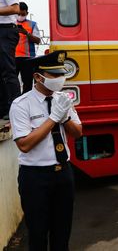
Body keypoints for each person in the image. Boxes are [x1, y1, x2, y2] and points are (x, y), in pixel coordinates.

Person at [9, 50, 82, 250]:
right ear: (37, 77)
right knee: (38, 234)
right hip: (35, 177)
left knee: (62, 233)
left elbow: (77, 133)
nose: (60, 79)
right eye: (54, 75)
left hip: (63, 173)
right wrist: (53, 118)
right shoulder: (21, 105)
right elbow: (24, 144)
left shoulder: (63, 99)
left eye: (61, 74)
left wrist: (64, 115)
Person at [0, 0, 21, 120]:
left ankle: (15, 108)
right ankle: (3, 108)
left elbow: (15, 8)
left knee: (8, 71)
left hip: (6, 30)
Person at [16, 2, 41, 94]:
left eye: (22, 14)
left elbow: (38, 40)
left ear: (27, 13)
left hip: (27, 58)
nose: (20, 16)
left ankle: (26, 102)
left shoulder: (32, 24)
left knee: (27, 83)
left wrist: (26, 33)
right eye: (18, 14)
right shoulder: (10, 23)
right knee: (11, 83)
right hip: (11, 57)